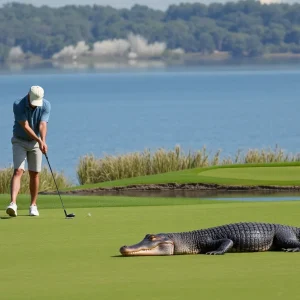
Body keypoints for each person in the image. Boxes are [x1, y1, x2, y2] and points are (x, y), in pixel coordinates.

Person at [6, 86, 51, 217]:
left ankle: (33, 205)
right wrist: (39, 139)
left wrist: (43, 140)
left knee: (35, 173)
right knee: (18, 170)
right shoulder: (18, 104)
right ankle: (13, 203)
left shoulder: (46, 105)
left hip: (36, 143)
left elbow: (43, 124)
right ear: (28, 95)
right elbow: (25, 126)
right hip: (19, 140)